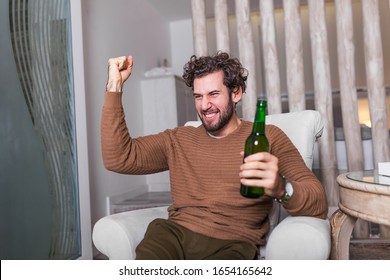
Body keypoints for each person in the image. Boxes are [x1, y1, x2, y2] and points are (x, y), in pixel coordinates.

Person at [101, 51, 328, 260]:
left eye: (213, 94)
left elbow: (318, 201)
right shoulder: (178, 139)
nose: (205, 105)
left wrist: (282, 187)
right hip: (174, 235)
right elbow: (119, 157)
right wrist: (114, 87)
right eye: (198, 96)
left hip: (233, 244)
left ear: (236, 92)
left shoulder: (268, 137)